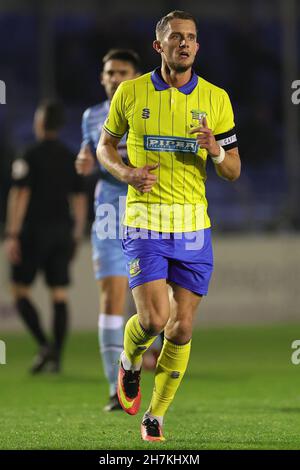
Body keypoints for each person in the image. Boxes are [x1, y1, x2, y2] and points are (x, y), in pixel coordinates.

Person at [97, 10, 241, 441]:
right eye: (176, 37)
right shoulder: (131, 92)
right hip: (145, 222)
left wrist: (216, 151)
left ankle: (155, 417)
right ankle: (129, 360)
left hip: (194, 226)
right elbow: (105, 146)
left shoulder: (216, 99)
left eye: (192, 38)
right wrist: (125, 173)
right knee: (156, 318)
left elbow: (233, 170)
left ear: (197, 47)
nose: (185, 43)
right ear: (159, 46)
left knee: (183, 327)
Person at [76, 49, 162, 412]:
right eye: (109, 72)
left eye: (122, 71)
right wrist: (83, 162)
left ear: (135, 75)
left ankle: (151, 352)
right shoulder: (92, 116)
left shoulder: (152, 108)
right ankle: (116, 388)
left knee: (163, 309)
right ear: (102, 77)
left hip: (151, 210)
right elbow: (89, 155)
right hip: (111, 212)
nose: (114, 77)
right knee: (111, 298)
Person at [4, 100, 87, 373]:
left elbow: (21, 194)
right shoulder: (69, 156)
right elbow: (79, 198)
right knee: (59, 294)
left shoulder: (29, 155)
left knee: (19, 290)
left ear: (39, 123)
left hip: (32, 231)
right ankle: (57, 357)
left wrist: (12, 233)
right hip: (62, 231)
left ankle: (44, 345)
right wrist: (76, 234)